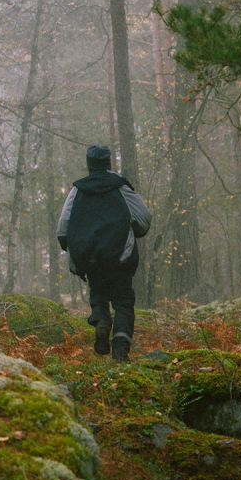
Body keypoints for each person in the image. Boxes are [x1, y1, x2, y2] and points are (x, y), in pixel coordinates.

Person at [56, 144, 152, 362]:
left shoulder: (78, 190)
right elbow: (144, 217)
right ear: (108, 162)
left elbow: (63, 227)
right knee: (123, 303)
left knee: (98, 294)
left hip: (91, 258)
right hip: (120, 257)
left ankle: (101, 322)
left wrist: (73, 248)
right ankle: (120, 351)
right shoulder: (120, 186)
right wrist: (135, 231)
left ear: (89, 164)